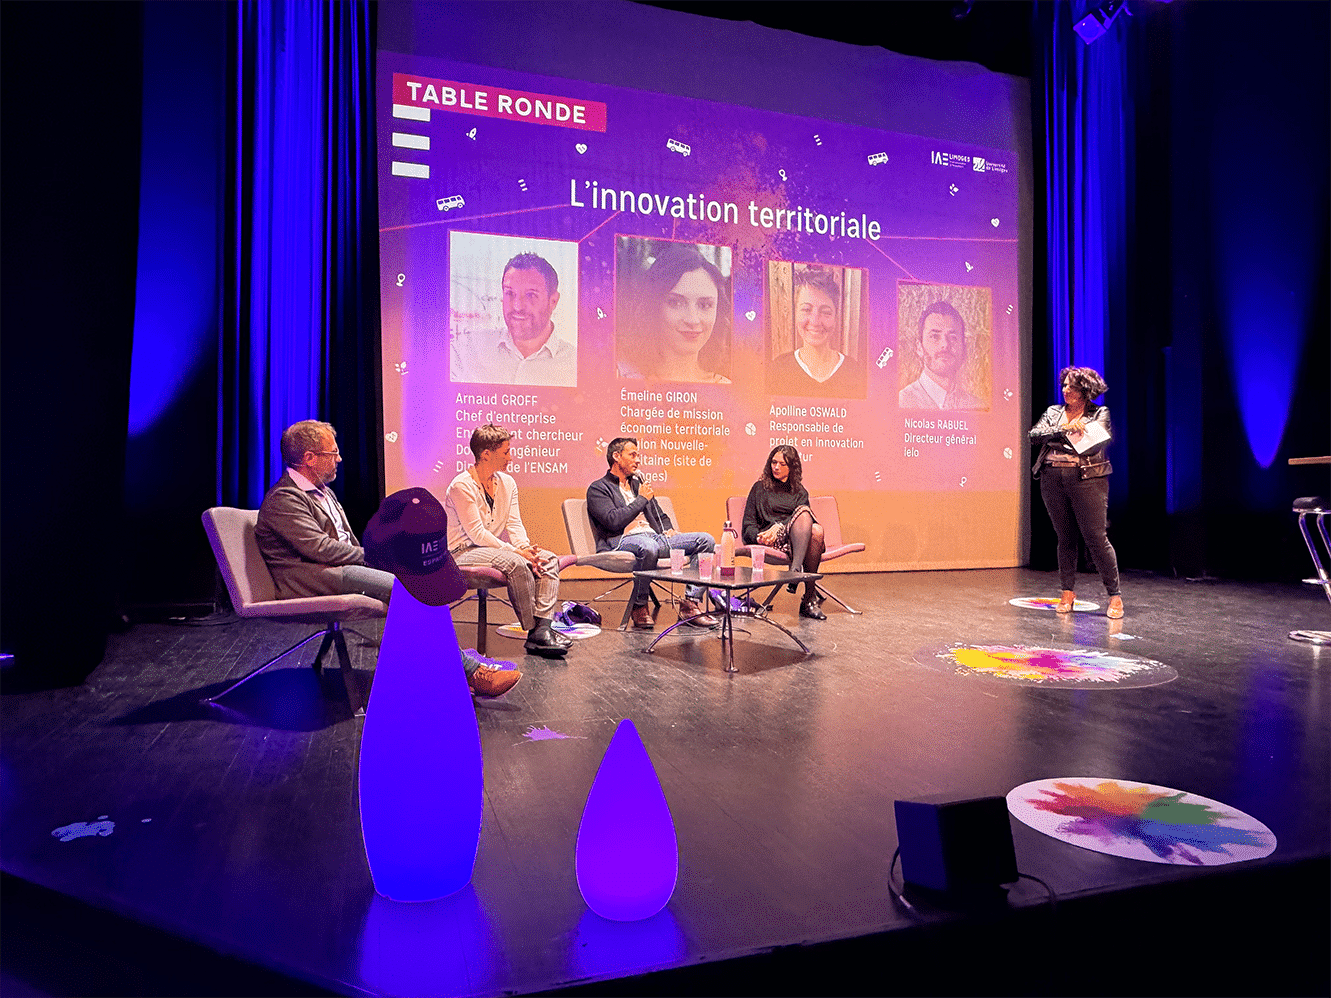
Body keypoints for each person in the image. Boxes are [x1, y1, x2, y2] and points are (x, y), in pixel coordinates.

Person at [255, 420, 520, 697]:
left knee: (421, 584)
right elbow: (321, 549)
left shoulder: (322, 492)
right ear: (309, 458)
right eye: (333, 454)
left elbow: (344, 542)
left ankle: (442, 668)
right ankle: (469, 672)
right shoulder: (286, 499)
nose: (339, 459)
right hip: (311, 578)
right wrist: (377, 558)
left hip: (338, 570)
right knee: (408, 588)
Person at [444, 424, 572, 658]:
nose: (510, 458)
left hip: (493, 549)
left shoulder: (507, 483)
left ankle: (543, 629)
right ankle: (534, 630)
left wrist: (524, 547)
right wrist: (517, 553)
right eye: (505, 452)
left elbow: (514, 523)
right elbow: (477, 534)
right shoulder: (461, 485)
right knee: (516, 563)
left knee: (550, 559)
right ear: (486, 454)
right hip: (463, 551)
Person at [585, 437, 719, 630]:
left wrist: (668, 529)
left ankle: (690, 604)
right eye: (632, 455)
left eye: (638, 455)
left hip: (654, 538)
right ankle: (639, 606)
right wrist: (641, 500)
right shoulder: (598, 488)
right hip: (621, 540)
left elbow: (659, 514)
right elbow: (613, 521)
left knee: (706, 540)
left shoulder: (639, 485)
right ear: (616, 456)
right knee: (648, 546)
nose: (638, 460)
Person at [1029, 366, 1123, 618]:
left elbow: (1092, 446)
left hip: (1087, 480)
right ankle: (1067, 592)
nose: (1066, 390)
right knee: (1065, 537)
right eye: (1065, 386)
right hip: (1052, 478)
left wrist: (1058, 439)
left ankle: (1114, 596)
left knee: (1095, 537)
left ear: (1086, 390)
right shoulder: (1053, 412)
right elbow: (1035, 435)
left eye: (1072, 386)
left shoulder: (1099, 413)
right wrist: (1065, 430)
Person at [449, 252, 576, 387]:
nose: (517, 306)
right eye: (510, 293)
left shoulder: (576, 364)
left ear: (553, 301)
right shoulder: (466, 349)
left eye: (530, 295)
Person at [618, 243, 731, 384]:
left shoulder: (727, 388)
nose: (693, 320)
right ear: (653, 306)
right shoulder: (621, 376)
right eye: (675, 303)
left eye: (705, 305)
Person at [741, 445, 827, 619]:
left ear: (792, 467)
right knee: (816, 531)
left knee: (811, 522)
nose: (776, 467)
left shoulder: (800, 492)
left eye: (782, 464)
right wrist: (759, 538)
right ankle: (808, 597)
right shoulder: (759, 488)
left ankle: (795, 570)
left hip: (795, 542)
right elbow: (748, 524)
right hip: (771, 541)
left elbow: (804, 523)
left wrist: (780, 526)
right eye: (773, 462)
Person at [767, 267, 865, 398]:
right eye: (806, 310)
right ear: (795, 313)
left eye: (825, 312)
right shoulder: (777, 370)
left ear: (836, 317)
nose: (815, 321)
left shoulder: (855, 373)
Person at [898, 300, 984, 409]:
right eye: (935, 336)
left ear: (964, 348)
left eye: (953, 338)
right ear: (919, 347)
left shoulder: (977, 407)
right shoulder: (902, 403)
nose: (945, 344)